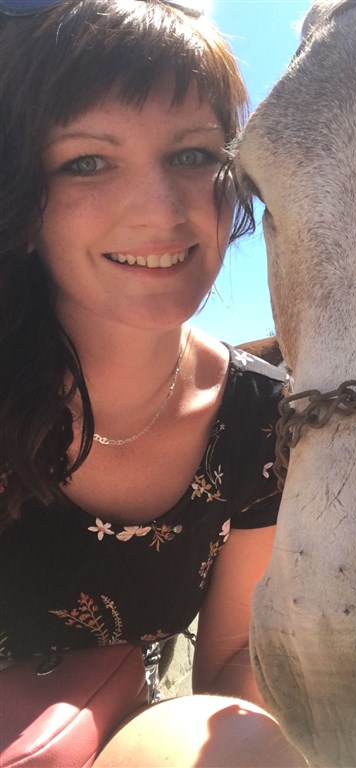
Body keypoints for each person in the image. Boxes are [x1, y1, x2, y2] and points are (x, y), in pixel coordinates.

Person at [0, 1, 304, 764]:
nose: (162, 211)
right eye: (88, 162)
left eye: (194, 154)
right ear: (24, 199)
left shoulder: (262, 419)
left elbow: (231, 668)